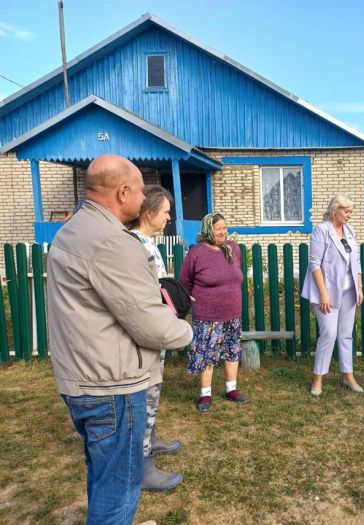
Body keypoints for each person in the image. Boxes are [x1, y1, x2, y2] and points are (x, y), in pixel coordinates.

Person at [47, 154, 193, 525]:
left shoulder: (72, 230)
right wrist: (189, 331)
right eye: (141, 190)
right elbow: (151, 325)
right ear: (123, 191)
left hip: (81, 379)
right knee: (120, 484)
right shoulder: (112, 242)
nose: (145, 198)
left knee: (103, 474)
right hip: (112, 386)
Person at [126, 185, 183, 491]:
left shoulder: (148, 242)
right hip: (145, 337)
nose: (169, 217)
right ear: (148, 212)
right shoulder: (136, 245)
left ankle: (152, 438)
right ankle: (143, 466)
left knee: (154, 391)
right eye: (165, 212)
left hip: (156, 332)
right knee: (146, 394)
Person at [179, 213, 247, 412]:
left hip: (233, 312)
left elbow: (235, 275)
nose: (223, 232)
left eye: (225, 228)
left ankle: (231, 389)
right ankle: (205, 394)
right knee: (207, 354)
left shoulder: (233, 249)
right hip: (208, 314)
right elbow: (185, 282)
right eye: (218, 228)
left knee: (232, 350)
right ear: (208, 229)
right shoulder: (196, 253)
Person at [301, 194, 364, 396]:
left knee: (346, 334)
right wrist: (323, 294)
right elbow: (314, 264)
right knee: (329, 333)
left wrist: (359, 287)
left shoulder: (350, 231)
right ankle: (318, 377)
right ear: (335, 210)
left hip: (349, 290)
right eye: (346, 211)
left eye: (351, 212)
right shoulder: (322, 231)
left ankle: (348, 375)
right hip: (326, 291)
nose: (349, 215)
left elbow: (356, 261)